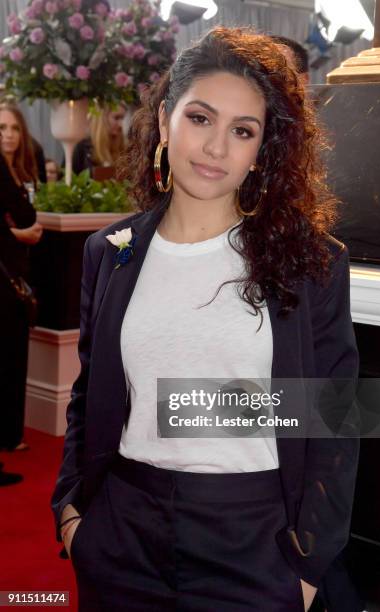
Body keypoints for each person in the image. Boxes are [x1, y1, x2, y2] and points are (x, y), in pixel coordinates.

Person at [51, 27, 360, 612]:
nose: (216, 147)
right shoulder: (110, 252)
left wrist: (308, 564)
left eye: (242, 131)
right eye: (200, 118)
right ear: (166, 119)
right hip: (122, 531)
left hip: (254, 540)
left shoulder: (311, 263)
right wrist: (72, 511)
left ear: (261, 150)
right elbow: (90, 391)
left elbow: (334, 416)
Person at [0, 103, 43, 454]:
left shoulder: (25, 166)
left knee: (14, 358)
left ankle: (11, 436)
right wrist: (19, 236)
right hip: (4, 274)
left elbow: (29, 212)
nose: (8, 135)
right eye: (2, 128)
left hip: (17, 274)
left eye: (14, 128)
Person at [71, 103, 127, 177]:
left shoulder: (124, 148)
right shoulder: (81, 148)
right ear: (102, 118)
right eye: (116, 118)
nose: (121, 124)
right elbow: (66, 181)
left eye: (122, 119)